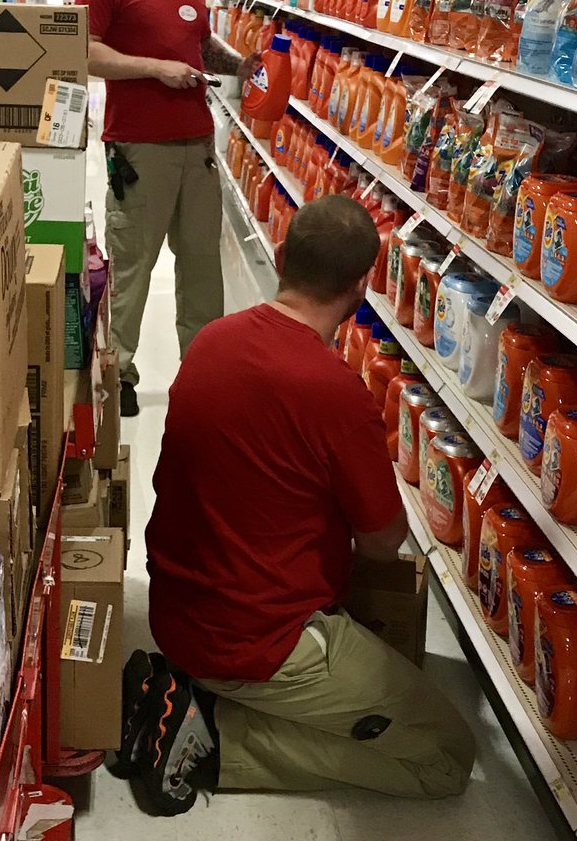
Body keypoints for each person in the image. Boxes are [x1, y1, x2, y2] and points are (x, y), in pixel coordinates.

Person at [121, 195, 477, 815]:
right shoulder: (335, 392)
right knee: (446, 758)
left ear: (282, 256)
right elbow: (380, 542)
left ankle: (184, 693)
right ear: (361, 286)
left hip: (176, 612)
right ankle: (208, 738)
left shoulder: (211, 341)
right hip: (260, 641)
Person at [76, 0, 260, 417]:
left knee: (203, 266)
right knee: (133, 266)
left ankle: (204, 372)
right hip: (139, 150)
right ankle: (120, 371)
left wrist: (240, 66)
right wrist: (154, 69)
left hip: (196, 146)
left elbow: (198, 45)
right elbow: (83, 52)